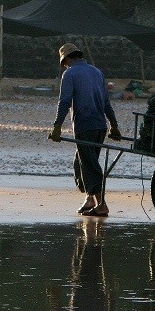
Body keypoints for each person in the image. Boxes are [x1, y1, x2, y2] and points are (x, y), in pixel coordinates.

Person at [47, 43, 122, 217]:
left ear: (66, 59)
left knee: (89, 165)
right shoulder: (96, 72)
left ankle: (102, 205)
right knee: (81, 163)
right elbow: (106, 103)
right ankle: (90, 198)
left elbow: (64, 102)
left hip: (84, 125)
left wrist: (57, 126)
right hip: (100, 126)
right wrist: (114, 125)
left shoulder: (69, 73)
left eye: (63, 62)